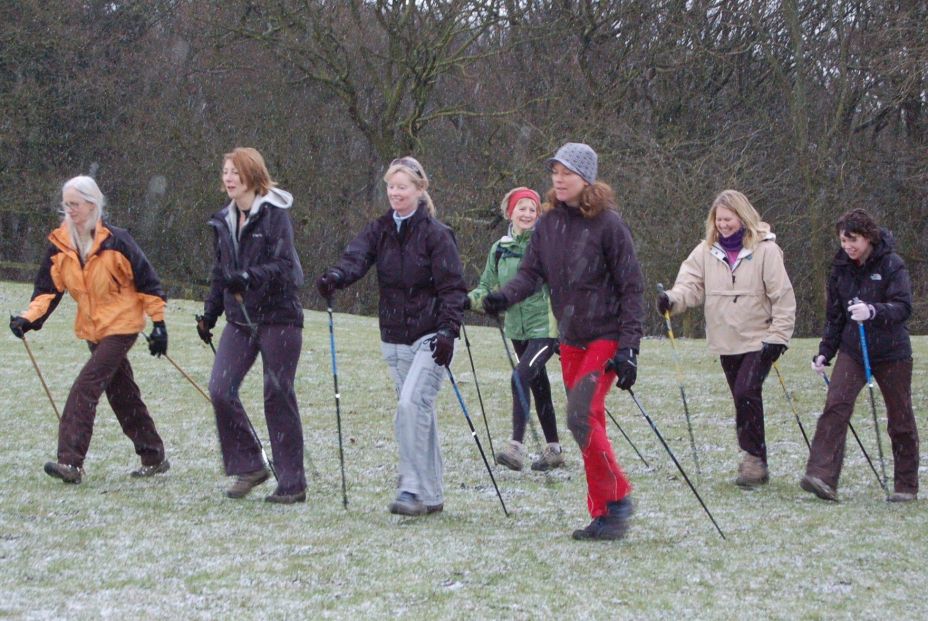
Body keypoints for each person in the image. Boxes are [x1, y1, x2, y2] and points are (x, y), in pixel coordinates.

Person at [483, 143, 643, 541]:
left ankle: (618, 498)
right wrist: (503, 296)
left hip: (606, 337)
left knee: (579, 417)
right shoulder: (549, 224)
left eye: (567, 172)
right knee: (588, 424)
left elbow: (631, 288)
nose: (558, 178)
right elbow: (530, 274)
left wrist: (629, 348)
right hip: (570, 339)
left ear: (586, 178)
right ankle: (604, 514)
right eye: (555, 170)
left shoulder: (609, 224)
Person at [316, 156, 467, 517]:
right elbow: (356, 258)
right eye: (391, 186)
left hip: (430, 336)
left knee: (409, 406)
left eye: (402, 186)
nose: (395, 193)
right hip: (393, 336)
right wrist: (335, 276)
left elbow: (452, 288)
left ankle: (411, 488)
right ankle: (431, 494)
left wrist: (448, 330)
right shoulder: (379, 230)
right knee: (417, 410)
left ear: (419, 190)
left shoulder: (436, 235)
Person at [9, 175, 170, 484]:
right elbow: (46, 291)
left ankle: (71, 462)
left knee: (86, 386)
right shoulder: (60, 244)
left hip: (122, 325)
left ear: (93, 205)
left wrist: (159, 324)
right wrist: (28, 318)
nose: (70, 210)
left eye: (76, 204)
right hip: (93, 329)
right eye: (66, 204)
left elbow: (148, 282)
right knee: (122, 392)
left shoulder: (117, 240)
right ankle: (153, 455)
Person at [657, 189, 796, 488]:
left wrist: (779, 336)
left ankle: (753, 459)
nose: (723, 225)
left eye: (729, 219)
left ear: (742, 217)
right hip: (725, 339)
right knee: (742, 398)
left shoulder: (766, 251)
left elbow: (783, 297)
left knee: (747, 391)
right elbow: (690, 284)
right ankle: (756, 457)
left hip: (760, 339)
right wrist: (671, 299)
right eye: (719, 220)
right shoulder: (705, 250)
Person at [196, 147, 307, 504]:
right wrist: (210, 314)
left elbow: (285, 267)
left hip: (280, 318)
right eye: (225, 172)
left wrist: (250, 277)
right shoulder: (223, 220)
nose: (228, 178)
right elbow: (219, 274)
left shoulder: (274, 216)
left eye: (235, 172)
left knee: (277, 396)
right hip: (239, 321)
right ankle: (250, 465)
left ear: (252, 176)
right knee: (220, 388)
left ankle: (292, 483)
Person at [801, 208, 918, 502]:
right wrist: (824, 353)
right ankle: (821, 477)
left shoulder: (892, 264)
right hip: (854, 349)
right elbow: (835, 317)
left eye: (852, 240)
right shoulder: (840, 268)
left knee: (900, 419)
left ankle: (906, 486)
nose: (847, 247)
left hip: (892, 352)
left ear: (868, 237)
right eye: (843, 241)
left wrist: (874, 311)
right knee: (836, 406)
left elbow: (904, 307)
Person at [467, 187, 563, 472]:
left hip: (546, 328)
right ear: (510, 212)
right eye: (521, 208)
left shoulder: (545, 244)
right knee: (538, 384)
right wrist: (468, 300)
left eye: (532, 209)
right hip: (516, 329)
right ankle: (554, 449)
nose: (527, 213)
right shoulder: (500, 249)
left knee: (520, 376)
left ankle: (516, 447)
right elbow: (486, 285)